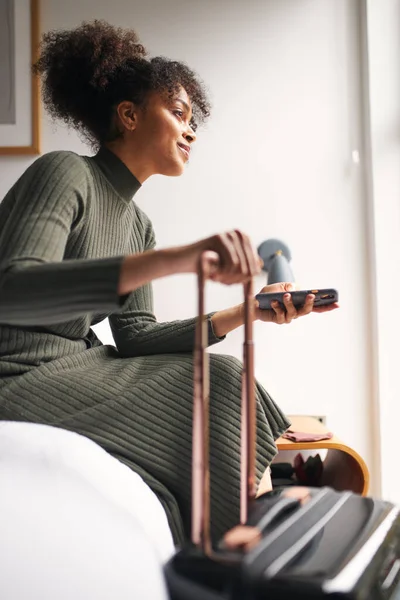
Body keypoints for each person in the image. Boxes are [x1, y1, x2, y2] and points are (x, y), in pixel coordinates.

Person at [0, 20, 337, 545]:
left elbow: (135, 336)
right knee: (220, 382)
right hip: (17, 371)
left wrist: (248, 311)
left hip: (80, 362)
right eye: (177, 113)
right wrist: (178, 259)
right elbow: (15, 289)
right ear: (129, 115)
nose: (190, 130)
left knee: (224, 372)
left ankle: (254, 533)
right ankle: (254, 542)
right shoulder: (65, 172)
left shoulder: (138, 225)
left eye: (192, 118)